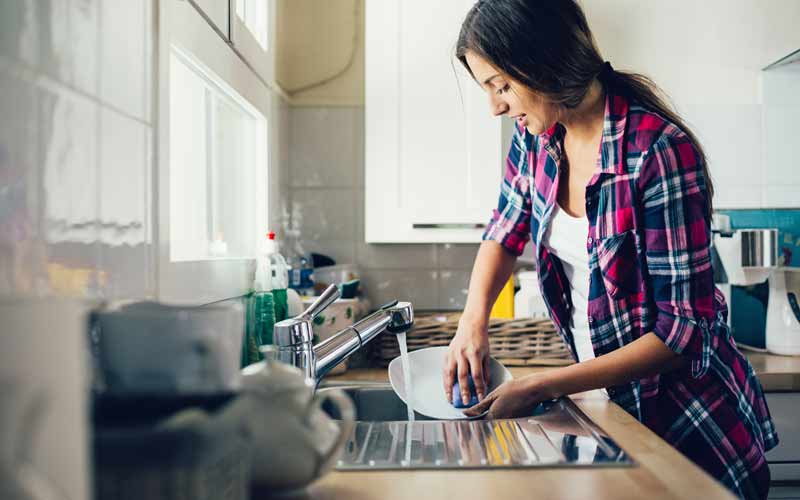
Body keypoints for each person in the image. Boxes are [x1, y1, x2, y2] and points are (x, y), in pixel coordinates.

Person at [442, 1, 777, 498]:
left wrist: (545, 384)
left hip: (691, 427)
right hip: (607, 410)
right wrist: (471, 326)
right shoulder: (535, 138)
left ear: (546, 61)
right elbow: (505, 230)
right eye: (487, 89)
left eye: (503, 86)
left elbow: (683, 333)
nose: (496, 106)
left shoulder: (658, 151)